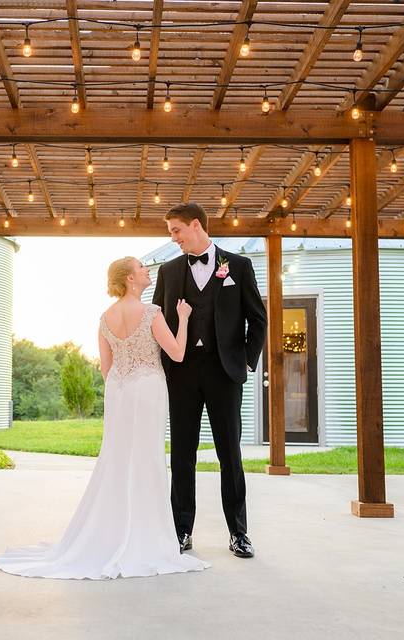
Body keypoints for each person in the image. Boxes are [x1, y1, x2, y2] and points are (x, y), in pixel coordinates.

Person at [0, 256, 210, 579]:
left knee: (117, 459)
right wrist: (183, 318)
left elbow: (106, 368)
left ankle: (110, 533)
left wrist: (122, 385)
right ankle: (147, 538)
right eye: (140, 268)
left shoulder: (105, 318)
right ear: (129, 279)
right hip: (148, 388)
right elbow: (177, 353)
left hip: (119, 391)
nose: (146, 270)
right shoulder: (152, 312)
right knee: (147, 460)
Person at [152, 202, 267, 558]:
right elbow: (157, 323)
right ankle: (181, 531)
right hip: (182, 374)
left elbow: (257, 319)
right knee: (182, 455)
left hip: (225, 373)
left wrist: (246, 362)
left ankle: (239, 533)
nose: (173, 239)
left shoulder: (239, 266)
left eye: (176, 231)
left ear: (196, 225)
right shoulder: (169, 272)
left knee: (229, 454)